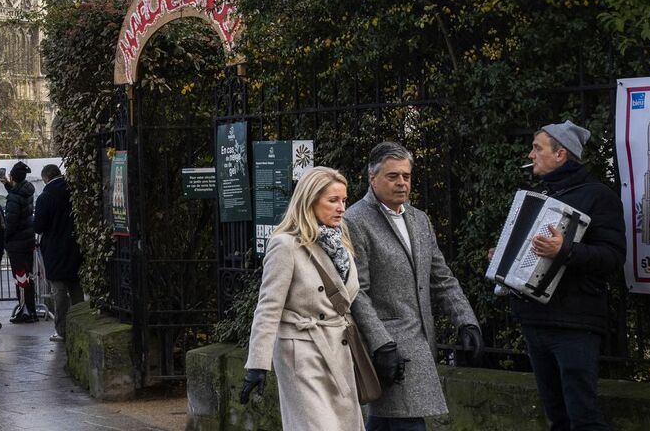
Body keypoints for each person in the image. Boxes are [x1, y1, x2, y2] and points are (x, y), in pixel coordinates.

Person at [348, 143, 480, 431]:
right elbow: (358, 292)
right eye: (393, 176)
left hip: (420, 342)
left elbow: (442, 278)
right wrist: (381, 344)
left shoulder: (419, 219)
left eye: (406, 176)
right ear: (372, 178)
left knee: (390, 422)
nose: (402, 183)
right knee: (406, 423)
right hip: (389, 348)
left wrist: (466, 321)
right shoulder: (355, 220)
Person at [512, 122, 625, 431]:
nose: (531, 154)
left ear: (561, 154)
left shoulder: (599, 196)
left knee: (584, 419)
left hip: (575, 324)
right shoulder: (539, 195)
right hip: (536, 320)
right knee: (558, 419)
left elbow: (612, 257)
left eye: (538, 148)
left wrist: (566, 250)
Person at [240, 165, 364, 431]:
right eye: (333, 200)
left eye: (344, 200)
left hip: (338, 351)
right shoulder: (285, 245)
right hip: (302, 352)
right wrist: (258, 364)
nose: (341, 207)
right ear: (309, 200)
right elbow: (268, 307)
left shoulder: (341, 244)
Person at [34, 163, 82, 341]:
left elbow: (39, 225)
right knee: (76, 286)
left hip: (54, 248)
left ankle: (62, 329)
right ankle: (80, 324)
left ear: (46, 178)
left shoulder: (45, 197)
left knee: (59, 290)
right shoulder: (74, 192)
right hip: (74, 244)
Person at [1, 162, 39, 322]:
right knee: (28, 276)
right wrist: (8, 185)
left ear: (13, 176)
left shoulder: (14, 198)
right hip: (27, 239)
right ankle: (31, 309)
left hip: (16, 242)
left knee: (21, 278)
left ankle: (24, 311)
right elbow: (18, 196)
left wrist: (4, 239)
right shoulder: (27, 191)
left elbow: (11, 222)